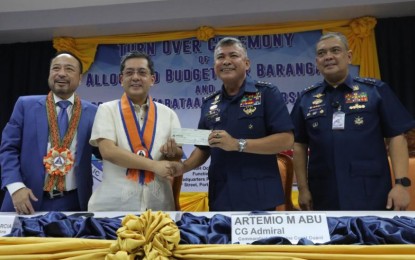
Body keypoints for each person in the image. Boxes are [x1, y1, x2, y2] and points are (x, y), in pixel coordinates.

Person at [290, 32, 415, 211]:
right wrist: (302, 189)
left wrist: (401, 185)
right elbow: (299, 145)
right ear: (317, 62)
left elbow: (396, 137)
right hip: (323, 191)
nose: (328, 57)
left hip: (370, 189)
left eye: (335, 50)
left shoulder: (375, 91)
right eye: (322, 53)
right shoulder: (306, 99)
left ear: (348, 56)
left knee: (372, 237)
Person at [175, 37, 294, 211]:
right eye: (220, 57)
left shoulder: (266, 93)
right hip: (221, 195)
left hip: (260, 196)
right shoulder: (210, 103)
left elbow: (286, 139)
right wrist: (182, 168)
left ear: (246, 63)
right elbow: (203, 147)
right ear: (215, 66)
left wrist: (237, 144)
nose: (226, 61)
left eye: (233, 55)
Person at [0, 51, 98, 214]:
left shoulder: (93, 112)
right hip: (25, 200)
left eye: (69, 69)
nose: (61, 73)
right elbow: (8, 149)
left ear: (80, 78)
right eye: (56, 68)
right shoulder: (25, 105)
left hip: (74, 203)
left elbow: (104, 151)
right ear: (49, 74)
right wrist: (15, 187)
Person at [87, 51, 183, 211]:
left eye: (142, 72)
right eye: (129, 73)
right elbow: (108, 152)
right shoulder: (106, 109)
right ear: (121, 79)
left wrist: (173, 153)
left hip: (159, 204)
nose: (135, 77)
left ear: (152, 79)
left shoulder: (169, 113)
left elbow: (178, 154)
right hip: (114, 205)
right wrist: (154, 166)